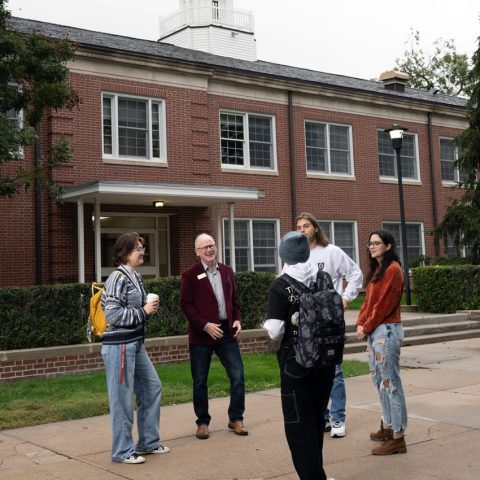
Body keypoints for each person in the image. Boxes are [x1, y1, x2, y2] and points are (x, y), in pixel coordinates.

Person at [264, 231, 335, 480]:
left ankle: (312, 477)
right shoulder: (322, 279)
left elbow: (274, 330)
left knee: (298, 426)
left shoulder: (280, 286)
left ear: (283, 255)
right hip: (324, 362)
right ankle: (318, 473)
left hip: (296, 364)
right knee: (316, 420)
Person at [101, 232, 169, 464]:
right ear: (124, 253)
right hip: (119, 346)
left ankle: (148, 442)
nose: (142, 252)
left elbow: (136, 310)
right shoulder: (117, 278)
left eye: (142, 248)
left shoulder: (135, 277)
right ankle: (122, 451)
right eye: (138, 248)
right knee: (122, 399)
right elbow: (111, 314)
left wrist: (148, 307)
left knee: (152, 388)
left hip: (135, 343)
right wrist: (143, 311)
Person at [294, 212, 363, 438]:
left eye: (306, 226)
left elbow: (355, 274)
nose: (302, 230)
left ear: (315, 228)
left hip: (331, 323)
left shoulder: (331, 252)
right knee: (312, 371)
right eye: (299, 227)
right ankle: (320, 418)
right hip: (307, 325)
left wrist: (344, 299)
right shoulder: (296, 257)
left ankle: (338, 419)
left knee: (334, 371)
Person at [180, 233, 247, 440]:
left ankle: (236, 418)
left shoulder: (227, 271)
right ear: (197, 252)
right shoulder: (190, 275)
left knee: (238, 376)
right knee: (200, 381)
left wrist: (236, 320)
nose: (210, 249)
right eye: (205, 247)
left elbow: (234, 302)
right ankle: (202, 422)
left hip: (227, 332)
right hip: (202, 336)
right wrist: (205, 325)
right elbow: (186, 305)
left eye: (212, 245)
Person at [356, 229, 408, 455]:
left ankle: (398, 436)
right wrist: (360, 322)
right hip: (375, 332)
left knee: (391, 382)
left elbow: (384, 305)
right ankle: (387, 426)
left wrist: (366, 326)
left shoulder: (394, 269)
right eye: (370, 243)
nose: (372, 246)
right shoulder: (377, 270)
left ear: (388, 246)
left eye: (377, 243)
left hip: (386, 331)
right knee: (379, 381)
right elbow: (369, 301)